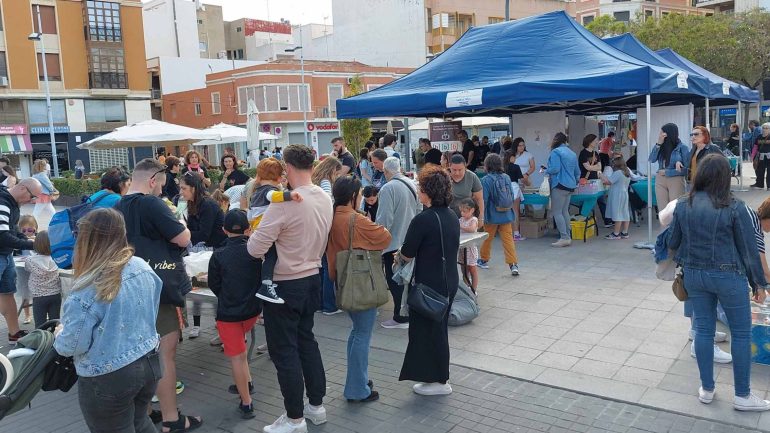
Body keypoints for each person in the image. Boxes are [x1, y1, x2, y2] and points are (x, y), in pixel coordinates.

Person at [668, 154, 770, 412]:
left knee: (703, 331)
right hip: (728, 276)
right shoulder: (735, 206)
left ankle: (707, 389)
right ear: (725, 177)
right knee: (741, 333)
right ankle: (743, 395)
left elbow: (672, 242)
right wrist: (759, 284)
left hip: (694, 275)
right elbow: (749, 249)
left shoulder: (682, 204)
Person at [247, 144, 333, 433]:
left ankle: (295, 419)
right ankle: (316, 407)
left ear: (287, 168)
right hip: (312, 278)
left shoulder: (285, 203)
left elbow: (255, 247)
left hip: (284, 283)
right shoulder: (323, 196)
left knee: (285, 351)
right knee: (307, 341)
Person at [54, 209, 163, 433]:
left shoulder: (86, 286)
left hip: (108, 376)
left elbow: (72, 346)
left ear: (85, 239)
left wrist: (58, 335)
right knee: (141, 421)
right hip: (149, 362)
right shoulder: (142, 266)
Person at [115, 159, 200, 432]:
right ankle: (171, 419)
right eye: (161, 185)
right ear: (153, 180)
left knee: (141, 353)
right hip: (160, 287)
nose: (161, 190)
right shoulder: (153, 203)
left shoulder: (117, 206)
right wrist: (181, 223)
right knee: (165, 354)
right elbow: (183, 239)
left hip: (129, 287)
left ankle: (147, 412)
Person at [395, 165, 460, 396]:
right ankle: (436, 378)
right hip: (448, 280)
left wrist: (398, 255)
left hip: (429, 284)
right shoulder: (452, 215)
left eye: (421, 188)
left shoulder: (423, 219)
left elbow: (408, 253)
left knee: (428, 332)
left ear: (428, 192)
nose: (419, 191)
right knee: (437, 330)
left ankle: (439, 380)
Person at [326, 176, 391, 403]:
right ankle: (356, 389)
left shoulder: (332, 216)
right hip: (360, 282)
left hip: (341, 280)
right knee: (362, 334)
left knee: (356, 333)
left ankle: (359, 379)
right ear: (353, 196)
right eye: (360, 194)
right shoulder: (355, 219)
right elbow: (385, 237)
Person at [208, 209, 263, 419]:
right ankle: (247, 382)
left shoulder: (219, 255)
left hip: (229, 314)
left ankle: (246, 402)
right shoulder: (254, 253)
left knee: (238, 358)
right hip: (252, 311)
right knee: (242, 346)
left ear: (223, 230)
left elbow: (215, 284)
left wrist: (227, 296)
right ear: (248, 229)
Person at [376, 156, 420, 329]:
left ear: (386, 171)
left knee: (394, 280)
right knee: (408, 279)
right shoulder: (411, 184)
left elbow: (384, 219)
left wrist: (378, 240)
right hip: (410, 240)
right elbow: (419, 210)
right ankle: (406, 313)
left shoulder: (388, 188)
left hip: (393, 242)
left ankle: (399, 317)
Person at [0, 178, 42, 344]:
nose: (32, 201)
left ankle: (14, 333)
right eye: (32, 197)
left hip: (6, 255)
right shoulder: (3, 202)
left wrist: (27, 240)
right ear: (23, 188)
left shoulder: (12, 203)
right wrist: (32, 244)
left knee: (7, 292)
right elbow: (2, 236)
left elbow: (13, 231)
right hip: (3, 252)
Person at [478, 153, 520, 276]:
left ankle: (484, 259)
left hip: (491, 215)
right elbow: (511, 195)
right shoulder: (506, 177)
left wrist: (481, 215)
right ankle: (513, 264)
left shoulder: (486, 180)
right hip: (506, 214)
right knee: (508, 240)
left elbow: (484, 199)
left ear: (487, 166)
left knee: (487, 238)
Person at [312, 157, 343, 315]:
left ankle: (319, 303)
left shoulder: (315, 180)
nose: (337, 176)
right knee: (328, 266)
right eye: (337, 172)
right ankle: (329, 305)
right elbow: (328, 202)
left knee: (321, 267)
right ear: (332, 170)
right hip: (325, 227)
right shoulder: (325, 182)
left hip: (315, 227)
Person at [545, 132, 580, 248]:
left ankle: (564, 237)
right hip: (570, 185)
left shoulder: (556, 152)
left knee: (557, 212)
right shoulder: (572, 153)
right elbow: (577, 172)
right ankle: (568, 235)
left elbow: (555, 169)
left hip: (559, 184)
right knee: (565, 211)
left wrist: (546, 171)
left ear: (556, 140)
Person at [25, 230, 61, 327]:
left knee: (40, 323)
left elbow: (27, 269)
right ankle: (54, 339)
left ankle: (42, 340)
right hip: (55, 295)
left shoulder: (30, 260)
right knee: (55, 322)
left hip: (39, 296)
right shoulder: (57, 259)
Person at [649, 123, 689, 209]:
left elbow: (686, 169)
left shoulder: (682, 147)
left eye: (662, 132)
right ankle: (664, 223)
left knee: (675, 208)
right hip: (660, 178)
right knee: (662, 209)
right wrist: (658, 144)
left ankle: (675, 223)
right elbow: (652, 159)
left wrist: (668, 172)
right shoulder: (661, 146)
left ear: (668, 133)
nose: (660, 134)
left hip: (675, 179)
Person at [181, 172, 226, 248]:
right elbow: (191, 226)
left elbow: (203, 235)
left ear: (194, 188)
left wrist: (182, 234)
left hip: (216, 247)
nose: (181, 192)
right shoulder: (193, 202)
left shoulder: (207, 205)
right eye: (180, 188)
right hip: (205, 245)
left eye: (184, 188)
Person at [579, 134, 611, 227]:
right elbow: (586, 167)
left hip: (596, 180)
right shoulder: (583, 153)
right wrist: (594, 167)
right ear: (590, 142)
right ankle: (583, 220)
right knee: (587, 201)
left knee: (601, 200)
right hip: (586, 180)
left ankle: (607, 220)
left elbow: (600, 167)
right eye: (595, 140)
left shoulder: (596, 153)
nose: (597, 142)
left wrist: (592, 167)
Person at [599, 157, 631, 240]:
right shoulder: (626, 171)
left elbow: (608, 182)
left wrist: (601, 175)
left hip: (617, 195)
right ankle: (625, 232)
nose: (612, 165)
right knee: (624, 213)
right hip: (624, 194)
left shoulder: (618, 173)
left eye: (613, 163)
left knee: (618, 214)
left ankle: (616, 234)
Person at [448, 154, 484, 225]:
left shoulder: (472, 177)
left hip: (468, 219)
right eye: (454, 170)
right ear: (449, 166)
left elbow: (479, 199)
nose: (457, 173)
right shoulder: (444, 176)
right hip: (448, 217)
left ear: (465, 166)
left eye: (460, 170)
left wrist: (481, 217)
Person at [17, 214, 37, 324]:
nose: (27, 233)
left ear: (35, 229)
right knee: (25, 293)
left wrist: (36, 241)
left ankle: (44, 312)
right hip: (22, 269)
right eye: (23, 231)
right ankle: (27, 315)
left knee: (40, 292)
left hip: (36, 269)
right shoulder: (18, 240)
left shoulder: (39, 238)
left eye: (30, 230)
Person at [457, 198, 480, 291]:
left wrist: (460, 226)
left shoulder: (473, 219)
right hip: (462, 248)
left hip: (470, 248)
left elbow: (472, 229)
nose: (462, 213)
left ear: (472, 210)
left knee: (472, 269)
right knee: (464, 269)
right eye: (461, 211)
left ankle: (474, 289)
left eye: (465, 211)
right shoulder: (461, 219)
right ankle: (467, 288)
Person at [504, 149, 525, 241]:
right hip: (514, 188)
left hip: (503, 188)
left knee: (506, 211)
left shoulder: (502, 168)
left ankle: (506, 233)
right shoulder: (516, 167)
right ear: (511, 157)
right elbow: (523, 180)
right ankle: (516, 234)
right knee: (515, 211)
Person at [32, 159, 58, 223]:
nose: (46, 167)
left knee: (51, 211)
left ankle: (57, 221)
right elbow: (48, 185)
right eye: (44, 166)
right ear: (42, 166)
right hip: (44, 195)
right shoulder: (41, 174)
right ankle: (30, 224)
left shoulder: (34, 175)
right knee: (36, 213)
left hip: (41, 195)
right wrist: (53, 191)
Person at [751, 123, 770, 190]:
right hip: (760, 157)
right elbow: (755, 147)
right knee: (760, 171)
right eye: (763, 128)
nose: (764, 129)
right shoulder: (759, 137)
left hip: (769, 157)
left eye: (766, 128)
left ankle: (769, 186)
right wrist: (752, 156)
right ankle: (760, 185)